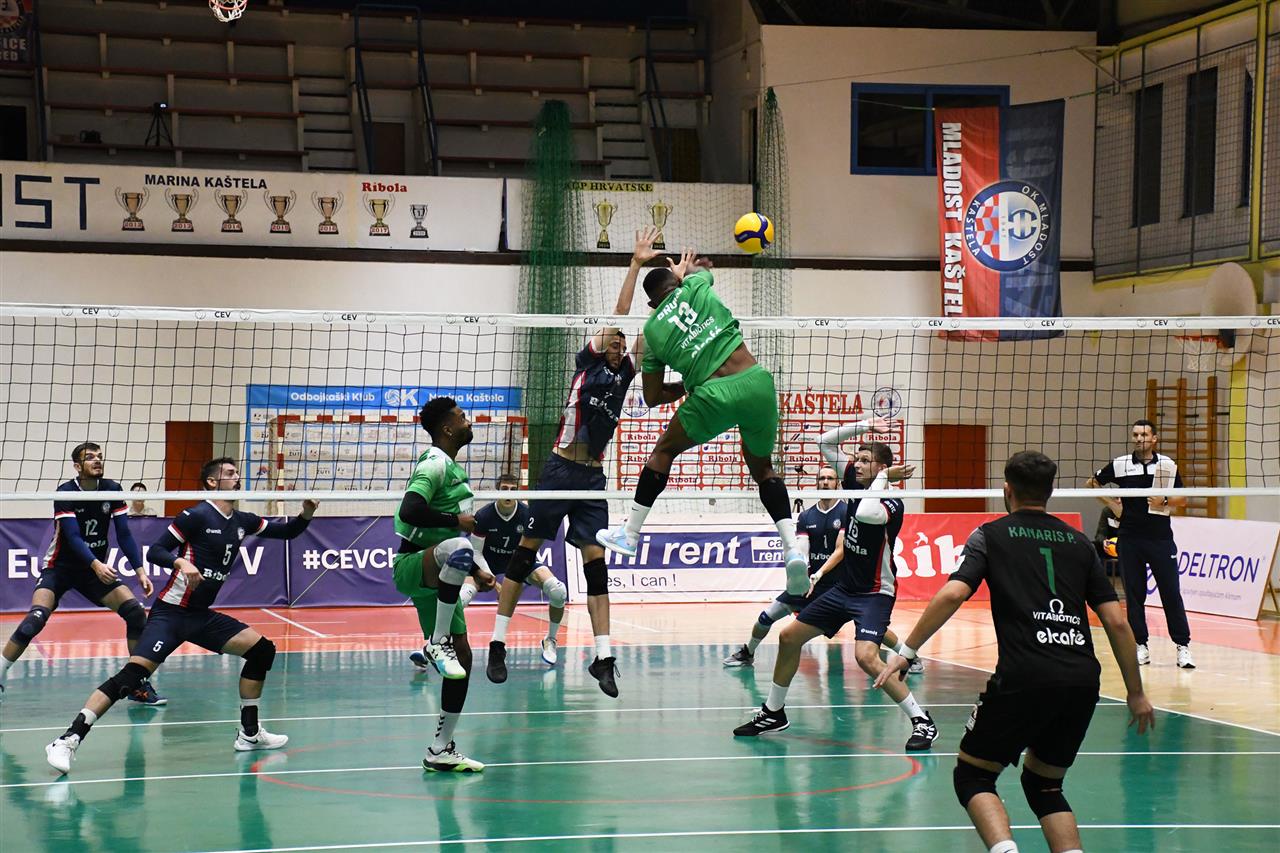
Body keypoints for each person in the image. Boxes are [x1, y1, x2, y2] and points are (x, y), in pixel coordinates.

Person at [877, 450, 1155, 853]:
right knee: (1045, 785)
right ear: (1051, 491)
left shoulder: (990, 535)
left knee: (973, 776)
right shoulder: (1080, 543)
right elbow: (1117, 622)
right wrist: (1135, 692)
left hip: (1024, 675)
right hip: (1080, 680)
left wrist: (906, 650)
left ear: (1007, 490)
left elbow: (953, 593)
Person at [44, 457, 317, 774]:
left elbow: (289, 531)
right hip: (171, 615)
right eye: (230, 473)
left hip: (200, 616)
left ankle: (250, 733)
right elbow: (156, 551)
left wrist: (306, 512)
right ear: (212, 482)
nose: (237, 477)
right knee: (132, 678)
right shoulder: (195, 516)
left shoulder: (243, 520)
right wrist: (181, 562)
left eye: (236, 473)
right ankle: (67, 740)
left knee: (262, 650)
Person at [488, 228, 660, 697]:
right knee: (524, 556)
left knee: (596, 568)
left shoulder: (626, 373)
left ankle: (603, 658)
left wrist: (677, 287)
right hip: (559, 470)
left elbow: (650, 332)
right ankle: (498, 644)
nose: (619, 344)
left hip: (592, 479)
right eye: (613, 341)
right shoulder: (587, 364)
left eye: (622, 343)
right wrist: (635, 264)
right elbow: (619, 315)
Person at [596, 249, 809, 600]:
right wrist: (688, 272)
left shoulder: (651, 333)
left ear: (651, 304)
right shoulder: (695, 286)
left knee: (664, 451)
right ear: (677, 282)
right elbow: (702, 271)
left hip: (711, 396)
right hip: (757, 384)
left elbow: (652, 396)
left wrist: (689, 384)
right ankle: (791, 550)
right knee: (763, 468)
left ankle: (630, 534)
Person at [733, 443, 937, 751]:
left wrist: (884, 478)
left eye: (866, 461)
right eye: (858, 459)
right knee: (788, 637)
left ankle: (921, 721)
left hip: (874, 593)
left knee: (866, 657)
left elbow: (866, 512)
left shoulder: (892, 503)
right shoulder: (856, 485)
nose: (857, 465)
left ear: (881, 468)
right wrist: (867, 423)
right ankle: (773, 712)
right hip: (844, 589)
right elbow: (826, 442)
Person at [0, 443, 162, 705]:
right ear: (77, 466)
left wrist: (140, 571)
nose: (97, 461)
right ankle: (0, 672)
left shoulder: (112, 489)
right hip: (60, 567)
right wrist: (96, 565)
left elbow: (124, 534)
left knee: (135, 613)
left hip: (91, 572)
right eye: (90, 458)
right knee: (35, 619)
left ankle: (136, 684)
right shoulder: (65, 492)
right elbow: (73, 537)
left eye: (100, 456)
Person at [722, 464, 923, 675]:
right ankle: (748, 652)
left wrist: (819, 573)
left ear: (837, 484)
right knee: (767, 616)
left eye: (830, 479)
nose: (825, 483)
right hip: (811, 585)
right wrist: (802, 575)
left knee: (871, 629)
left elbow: (840, 550)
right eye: (821, 479)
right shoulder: (806, 516)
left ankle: (909, 657)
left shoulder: (846, 510)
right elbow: (802, 549)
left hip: (839, 584)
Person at [395, 397, 496, 772]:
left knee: (464, 660)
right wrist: (456, 522)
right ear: (448, 428)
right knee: (458, 546)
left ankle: (440, 749)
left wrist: (478, 570)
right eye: (463, 417)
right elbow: (410, 510)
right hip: (412, 564)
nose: (469, 422)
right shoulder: (434, 463)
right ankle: (436, 642)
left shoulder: (457, 473)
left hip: (441, 573)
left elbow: (460, 540)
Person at [411, 474, 564, 671]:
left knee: (558, 591)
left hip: (520, 560)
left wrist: (513, 579)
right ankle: (433, 646)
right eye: (504, 489)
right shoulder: (484, 515)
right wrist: (491, 578)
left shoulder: (527, 514)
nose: (508, 493)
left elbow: (531, 548)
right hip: (487, 560)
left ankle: (550, 639)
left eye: (513, 489)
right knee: (461, 598)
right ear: (497, 491)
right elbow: (476, 552)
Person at [1087, 419, 1194, 669]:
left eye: (1144, 435)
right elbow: (1091, 484)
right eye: (1135, 434)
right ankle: (1140, 645)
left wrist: (1164, 501)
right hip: (1130, 538)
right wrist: (1113, 506)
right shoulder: (1121, 464)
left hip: (1160, 539)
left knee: (1171, 593)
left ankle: (1183, 646)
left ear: (1154, 438)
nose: (1138, 439)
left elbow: (1182, 499)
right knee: (1135, 596)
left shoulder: (1166, 464)